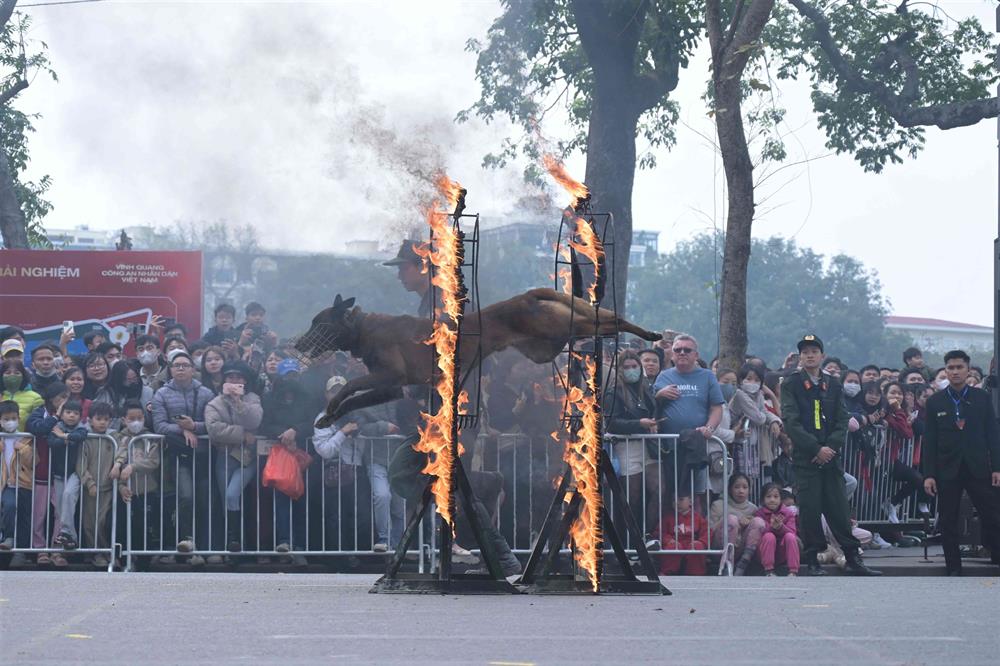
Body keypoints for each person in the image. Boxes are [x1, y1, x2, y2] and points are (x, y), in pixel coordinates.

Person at [780, 335, 880, 576]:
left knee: (839, 509)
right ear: (800, 357)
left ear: (822, 356)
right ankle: (813, 559)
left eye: (814, 351)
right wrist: (816, 449)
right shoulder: (791, 384)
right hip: (807, 457)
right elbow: (791, 421)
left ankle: (853, 558)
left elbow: (842, 419)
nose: (810, 355)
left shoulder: (833, 384)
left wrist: (830, 448)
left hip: (831, 457)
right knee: (810, 510)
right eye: (805, 352)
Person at [922, 349, 1000, 576]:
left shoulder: (982, 398)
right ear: (945, 370)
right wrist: (929, 474)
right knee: (948, 518)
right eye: (950, 368)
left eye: (959, 367)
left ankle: (996, 554)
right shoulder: (935, 401)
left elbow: (993, 435)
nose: (955, 372)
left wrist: (997, 467)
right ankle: (953, 566)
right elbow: (930, 441)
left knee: (992, 514)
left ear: (968, 369)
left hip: (978, 467)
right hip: (947, 469)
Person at [152, 349, 215, 563]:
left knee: (206, 499)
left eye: (185, 365)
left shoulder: (206, 393)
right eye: (176, 365)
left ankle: (207, 547)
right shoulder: (161, 393)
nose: (180, 369)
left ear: (193, 369)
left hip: (205, 455)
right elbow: (159, 426)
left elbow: (214, 424)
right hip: (179, 455)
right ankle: (185, 541)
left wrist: (194, 426)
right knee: (186, 496)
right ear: (170, 370)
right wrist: (182, 430)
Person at [652, 334, 723, 500]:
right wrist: (659, 394)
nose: (682, 353)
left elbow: (717, 408)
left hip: (696, 446)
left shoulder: (707, 376)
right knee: (670, 494)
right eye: (677, 350)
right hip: (668, 448)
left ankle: (697, 525)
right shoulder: (663, 376)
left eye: (687, 350)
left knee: (695, 493)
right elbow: (650, 405)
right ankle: (671, 527)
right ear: (672, 354)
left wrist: (709, 428)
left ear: (696, 355)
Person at [205, 361, 263, 553]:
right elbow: (214, 429)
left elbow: (255, 420)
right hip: (225, 456)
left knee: (232, 493)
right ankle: (232, 544)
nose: (234, 380)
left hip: (248, 458)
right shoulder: (215, 403)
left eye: (238, 377)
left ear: (245, 381)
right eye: (230, 377)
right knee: (227, 500)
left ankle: (238, 541)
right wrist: (241, 433)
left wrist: (239, 402)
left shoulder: (253, 398)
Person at [606, 350, 658, 539]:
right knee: (632, 497)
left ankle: (648, 535)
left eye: (634, 366)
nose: (631, 370)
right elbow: (611, 423)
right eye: (626, 367)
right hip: (627, 446)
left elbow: (653, 412)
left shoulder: (646, 389)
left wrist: (653, 423)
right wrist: (639, 424)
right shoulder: (614, 392)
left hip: (649, 446)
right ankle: (627, 541)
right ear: (619, 370)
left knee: (659, 490)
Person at [113, 400, 161, 557]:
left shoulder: (150, 438)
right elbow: (114, 463)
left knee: (145, 527)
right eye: (131, 419)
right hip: (125, 490)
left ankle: (143, 562)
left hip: (147, 489)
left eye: (139, 418)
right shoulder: (118, 438)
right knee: (124, 526)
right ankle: (123, 558)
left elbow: (154, 461)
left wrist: (133, 466)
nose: (136, 422)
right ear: (123, 420)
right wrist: (120, 486)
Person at [77, 401, 117, 567]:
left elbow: (120, 455)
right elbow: (80, 464)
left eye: (106, 419)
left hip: (108, 488)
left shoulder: (113, 438)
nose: (102, 422)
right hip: (91, 488)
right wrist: (89, 482)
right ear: (90, 419)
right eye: (98, 418)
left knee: (103, 521)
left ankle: (106, 551)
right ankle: (95, 553)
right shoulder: (86, 438)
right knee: (89, 523)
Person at [730, 363, 782, 482]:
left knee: (755, 478)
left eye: (757, 380)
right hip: (739, 443)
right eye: (748, 379)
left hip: (753, 444)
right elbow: (759, 418)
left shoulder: (758, 395)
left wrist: (774, 421)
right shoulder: (739, 395)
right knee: (743, 478)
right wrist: (766, 418)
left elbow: (764, 412)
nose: (752, 383)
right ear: (741, 380)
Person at [709, 473, 764, 575]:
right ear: (730, 489)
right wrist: (727, 520)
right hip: (720, 548)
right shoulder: (718, 505)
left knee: (758, 522)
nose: (741, 491)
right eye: (737, 487)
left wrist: (746, 525)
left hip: (741, 550)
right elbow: (709, 530)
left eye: (745, 487)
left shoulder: (753, 509)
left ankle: (743, 563)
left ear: (749, 490)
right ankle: (726, 563)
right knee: (732, 520)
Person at [0, 399, 34, 553]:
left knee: (24, 518)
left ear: (19, 419)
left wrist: (24, 449)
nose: (10, 422)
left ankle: (22, 551)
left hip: (24, 483)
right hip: (6, 483)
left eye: (13, 419)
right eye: (6, 419)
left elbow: (34, 461)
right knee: (9, 505)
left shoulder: (26, 437)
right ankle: (8, 537)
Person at [754, 483, 800, 576]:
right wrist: (772, 528)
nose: (772, 500)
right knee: (769, 536)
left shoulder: (788, 513)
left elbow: (793, 532)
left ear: (781, 499)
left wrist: (781, 527)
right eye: (768, 497)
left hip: (783, 553)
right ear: (763, 499)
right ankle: (769, 571)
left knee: (790, 536)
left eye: (776, 497)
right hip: (765, 553)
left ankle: (793, 571)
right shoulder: (759, 514)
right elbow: (759, 533)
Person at [658, 492, 706, 575]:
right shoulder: (668, 517)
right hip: (675, 544)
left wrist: (701, 542)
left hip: (690, 546)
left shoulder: (697, 517)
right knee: (673, 546)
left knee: (697, 546)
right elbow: (660, 532)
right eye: (673, 500)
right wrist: (668, 540)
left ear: (690, 502)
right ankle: (667, 573)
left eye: (681, 499)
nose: (676, 503)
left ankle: (696, 575)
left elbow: (706, 532)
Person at [383, 239, 434, 317]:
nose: (399, 276)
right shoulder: (430, 300)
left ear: (423, 267)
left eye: (404, 269)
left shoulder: (440, 301)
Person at [2, 359, 43, 431]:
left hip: (25, 441)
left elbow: (38, 425)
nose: (12, 375)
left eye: (17, 373)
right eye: (8, 373)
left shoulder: (35, 398)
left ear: (23, 376)